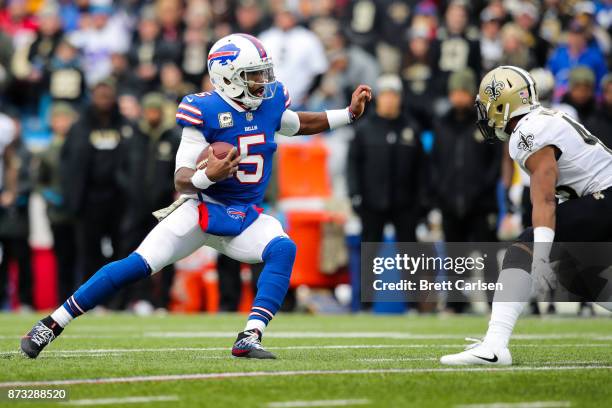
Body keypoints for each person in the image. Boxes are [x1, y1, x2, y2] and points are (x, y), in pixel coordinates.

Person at [21, 33, 372, 360]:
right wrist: (208, 175)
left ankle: (250, 335)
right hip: (201, 209)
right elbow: (182, 177)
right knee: (137, 265)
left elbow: (297, 123)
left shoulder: (270, 101)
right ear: (227, 76)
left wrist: (349, 114)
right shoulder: (202, 109)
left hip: (244, 214)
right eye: (253, 75)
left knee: (283, 248)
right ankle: (51, 324)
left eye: (263, 74)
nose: (262, 82)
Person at [440, 66, 612, 365]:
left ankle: (495, 345)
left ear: (502, 103)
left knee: (524, 246)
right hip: (601, 199)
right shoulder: (543, 121)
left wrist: (539, 252)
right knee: (573, 273)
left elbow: (545, 197)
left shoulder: (528, 131)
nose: (484, 112)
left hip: (605, 197)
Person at [347, 74, 424, 244]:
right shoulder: (364, 130)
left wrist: (422, 200)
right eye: (385, 94)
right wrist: (354, 194)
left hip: (405, 204)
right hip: (371, 202)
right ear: (377, 98)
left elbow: (421, 167)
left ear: (400, 98)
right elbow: (353, 163)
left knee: (410, 258)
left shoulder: (411, 128)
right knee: (368, 257)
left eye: (394, 95)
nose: (389, 99)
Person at [36, 103, 78, 303]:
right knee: (63, 258)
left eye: (66, 119)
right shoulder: (47, 151)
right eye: (58, 119)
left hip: (79, 211)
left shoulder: (79, 146)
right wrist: (51, 196)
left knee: (81, 256)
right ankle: (64, 299)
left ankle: (83, 300)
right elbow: (39, 182)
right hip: (57, 214)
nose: (62, 123)